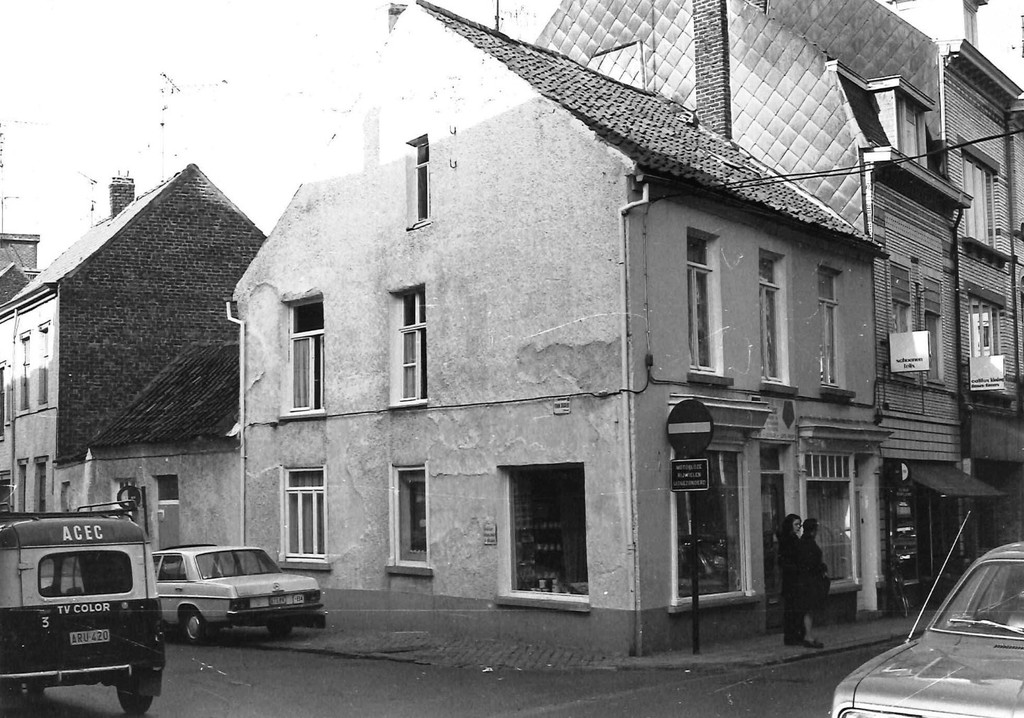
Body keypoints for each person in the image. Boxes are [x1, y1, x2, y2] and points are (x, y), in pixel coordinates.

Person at [795, 517, 829, 649]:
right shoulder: (810, 545)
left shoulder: (801, 543)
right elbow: (813, 563)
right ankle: (808, 637)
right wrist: (822, 568)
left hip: (802, 581)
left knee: (806, 609)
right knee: (809, 609)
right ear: (813, 530)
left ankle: (806, 635)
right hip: (810, 582)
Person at [777, 514, 803, 646]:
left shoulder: (791, 539)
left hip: (792, 578)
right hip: (792, 579)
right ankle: (792, 635)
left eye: (800, 525)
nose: (799, 527)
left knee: (793, 608)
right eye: (796, 524)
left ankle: (793, 635)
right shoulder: (789, 540)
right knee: (792, 608)